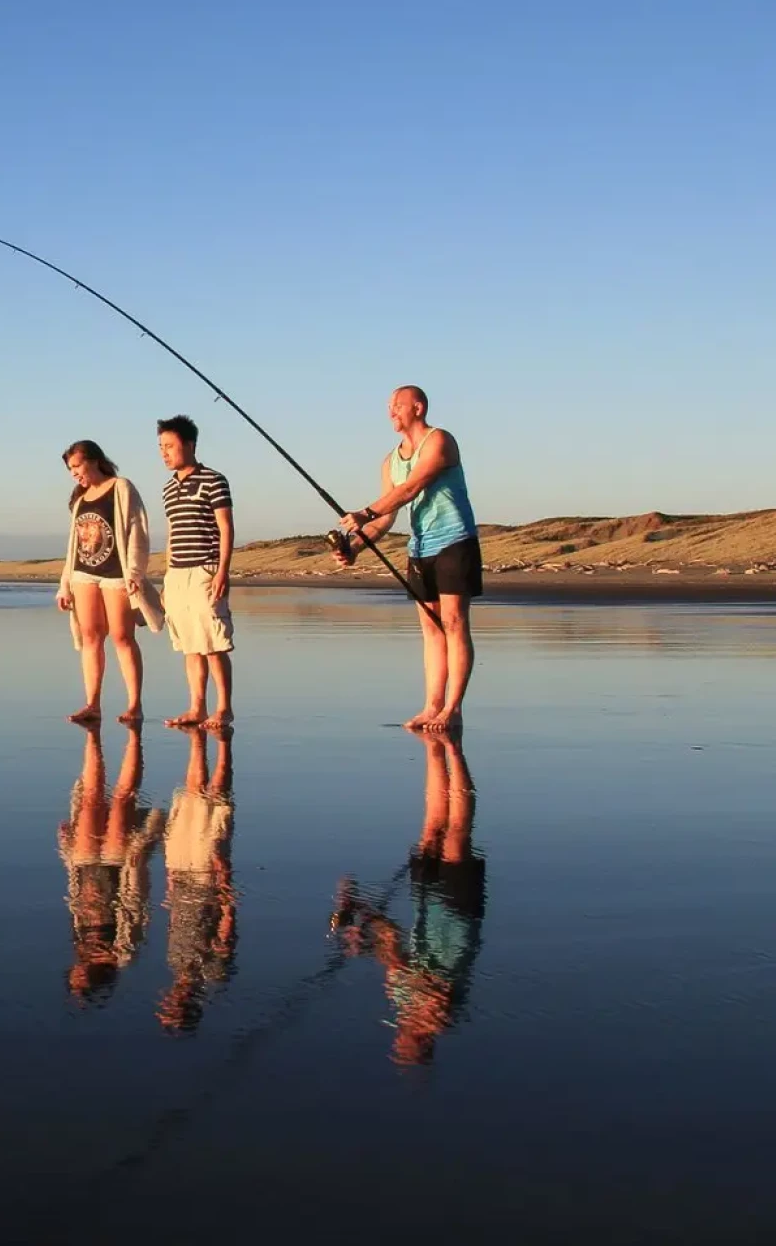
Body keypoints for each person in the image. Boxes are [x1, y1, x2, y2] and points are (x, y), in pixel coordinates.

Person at [330, 730, 485, 1067]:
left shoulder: (399, 1000)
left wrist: (359, 919)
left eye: (397, 1045)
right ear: (420, 1048)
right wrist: (382, 952)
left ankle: (439, 750)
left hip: (426, 905)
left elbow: (392, 942)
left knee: (431, 829)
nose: (398, 1039)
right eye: (404, 1048)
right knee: (457, 833)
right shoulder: (441, 1020)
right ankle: (455, 753)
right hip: (456, 918)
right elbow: (437, 990)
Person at [334, 385, 481, 729]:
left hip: (455, 541)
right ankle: (432, 706)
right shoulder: (390, 461)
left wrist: (365, 512)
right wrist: (354, 547)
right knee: (431, 629)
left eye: (396, 406)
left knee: (454, 624)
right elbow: (387, 518)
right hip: (420, 548)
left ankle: (453, 709)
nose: (391, 412)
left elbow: (412, 488)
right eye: (388, 407)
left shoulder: (440, 441)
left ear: (418, 407)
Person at [55, 440, 165, 725]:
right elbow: (73, 546)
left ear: (94, 460)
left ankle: (134, 704)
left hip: (116, 574)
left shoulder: (121, 488)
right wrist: (64, 585)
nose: (74, 473)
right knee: (90, 636)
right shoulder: (80, 499)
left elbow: (137, 529)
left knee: (122, 636)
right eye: (70, 469)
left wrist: (135, 572)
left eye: (77, 465)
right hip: (84, 574)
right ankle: (92, 704)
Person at [58, 723, 165, 1006]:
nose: (77, 971)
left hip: (84, 865)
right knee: (121, 798)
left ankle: (93, 735)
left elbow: (75, 896)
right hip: (118, 866)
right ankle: (134, 737)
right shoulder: (123, 951)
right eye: (80, 980)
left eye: (73, 976)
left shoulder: (78, 938)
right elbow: (137, 904)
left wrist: (65, 852)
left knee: (91, 796)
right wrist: (137, 860)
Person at [156, 415, 236, 729]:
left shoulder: (214, 480)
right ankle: (196, 707)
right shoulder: (167, 488)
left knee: (213, 642)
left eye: (170, 446)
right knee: (189, 644)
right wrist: (166, 576)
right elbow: (172, 532)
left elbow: (225, 527)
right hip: (177, 574)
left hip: (206, 568)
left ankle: (224, 708)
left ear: (189, 445)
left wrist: (222, 572)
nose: (164, 453)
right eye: (161, 447)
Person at [158, 724, 237, 1032]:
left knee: (192, 802)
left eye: (166, 1006)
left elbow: (176, 925)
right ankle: (222, 747)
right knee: (215, 806)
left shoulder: (175, 965)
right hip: (205, 881)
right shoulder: (213, 974)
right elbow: (225, 931)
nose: (168, 1000)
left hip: (181, 875)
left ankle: (203, 741)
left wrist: (169, 885)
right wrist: (225, 883)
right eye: (172, 1007)